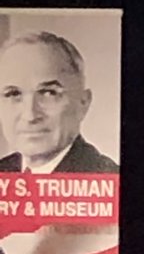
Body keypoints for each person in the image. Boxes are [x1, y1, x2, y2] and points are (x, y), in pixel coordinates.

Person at [0, 31, 118, 173]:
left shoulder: (107, 176)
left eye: (48, 93)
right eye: (13, 94)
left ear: (83, 103)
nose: (30, 115)